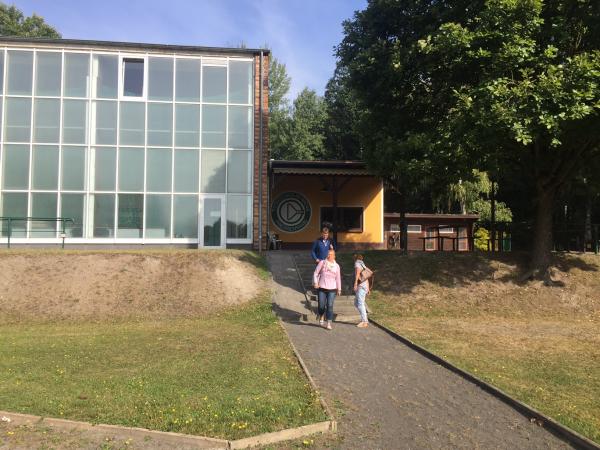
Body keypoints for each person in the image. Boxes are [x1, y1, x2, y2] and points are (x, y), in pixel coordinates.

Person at [313, 249, 341, 330]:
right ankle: (321, 315)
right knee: (321, 306)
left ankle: (329, 322)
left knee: (330, 305)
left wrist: (339, 289)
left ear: (334, 256)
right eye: (328, 254)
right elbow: (316, 273)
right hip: (322, 287)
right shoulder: (322, 263)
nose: (329, 256)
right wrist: (316, 282)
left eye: (331, 254)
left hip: (332, 288)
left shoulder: (337, 266)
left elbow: (338, 278)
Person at [353, 253, 370, 328]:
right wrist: (368, 288)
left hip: (361, 286)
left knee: (360, 303)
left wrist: (355, 284)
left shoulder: (357, 264)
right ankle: (364, 320)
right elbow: (367, 277)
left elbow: (357, 274)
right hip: (365, 286)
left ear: (355, 258)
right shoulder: (363, 265)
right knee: (356, 303)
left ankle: (364, 321)